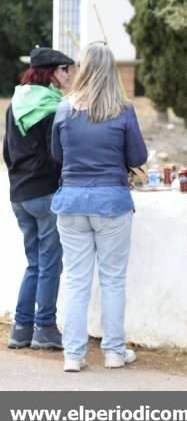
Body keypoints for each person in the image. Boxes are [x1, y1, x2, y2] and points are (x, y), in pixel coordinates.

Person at [50, 44, 148, 372]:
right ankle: (114, 351)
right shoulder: (123, 109)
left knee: (76, 280)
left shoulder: (64, 109)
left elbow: (57, 155)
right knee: (112, 280)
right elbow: (137, 157)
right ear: (112, 70)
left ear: (82, 68)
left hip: (72, 200)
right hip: (112, 201)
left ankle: (73, 355)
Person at [4, 47, 75, 350]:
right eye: (66, 70)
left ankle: (21, 329)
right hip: (45, 193)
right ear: (53, 73)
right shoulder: (54, 107)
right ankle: (44, 326)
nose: (69, 76)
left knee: (34, 263)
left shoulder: (15, 104)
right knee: (49, 264)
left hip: (19, 194)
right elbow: (56, 155)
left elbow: (7, 152)